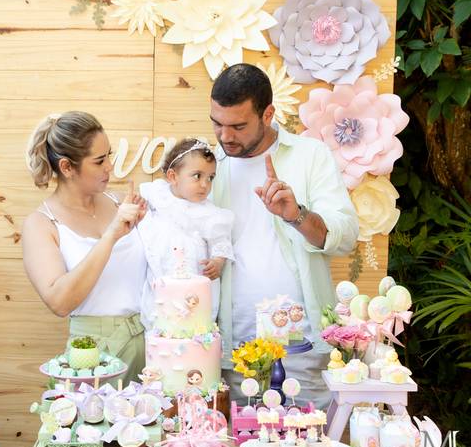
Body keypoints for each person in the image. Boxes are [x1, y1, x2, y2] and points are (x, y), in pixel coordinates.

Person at [209, 64, 359, 407]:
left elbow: (346, 235)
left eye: (238, 126)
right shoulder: (209, 167)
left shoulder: (310, 156)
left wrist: (297, 215)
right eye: (217, 123)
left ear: (268, 114)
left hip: (301, 350)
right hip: (232, 352)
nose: (225, 136)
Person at [22, 111, 148, 382]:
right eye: (100, 161)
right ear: (67, 167)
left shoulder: (119, 203)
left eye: (109, 156)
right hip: (94, 356)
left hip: (147, 344)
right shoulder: (42, 224)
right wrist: (111, 236)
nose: (110, 167)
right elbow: (60, 302)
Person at [137, 138, 234, 327]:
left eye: (210, 177)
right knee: (162, 316)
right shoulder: (158, 198)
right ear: (173, 177)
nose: (205, 184)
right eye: (197, 176)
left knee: (193, 321)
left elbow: (221, 242)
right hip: (164, 274)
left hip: (194, 277)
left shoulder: (211, 214)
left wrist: (217, 261)